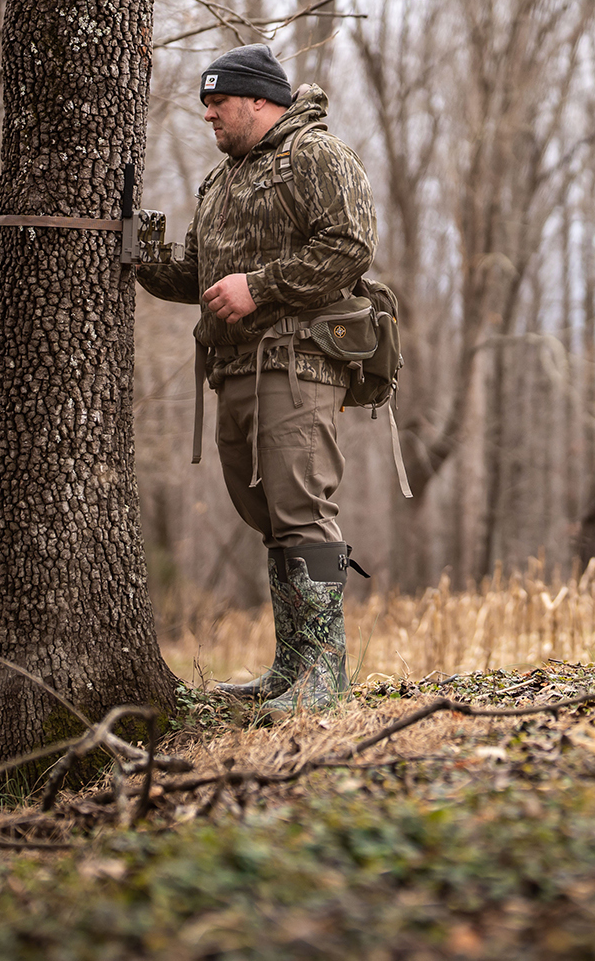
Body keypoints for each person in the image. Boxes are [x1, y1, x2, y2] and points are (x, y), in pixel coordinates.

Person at [145, 44, 375, 710]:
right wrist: (140, 256)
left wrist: (260, 287)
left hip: (299, 362)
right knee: (270, 516)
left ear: (257, 99)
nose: (209, 114)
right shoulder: (220, 182)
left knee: (302, 511)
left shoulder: (315, 155)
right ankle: (291, 668)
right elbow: (197, 277)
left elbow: (351, 243)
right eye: (204, 103)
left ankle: (326, 677)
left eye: (218, 101)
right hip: (235, 370)